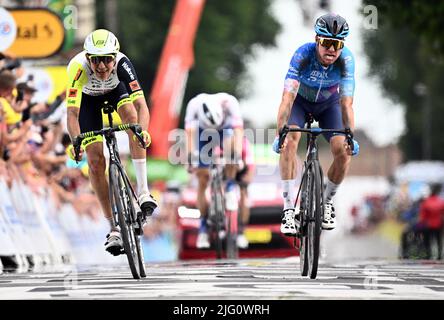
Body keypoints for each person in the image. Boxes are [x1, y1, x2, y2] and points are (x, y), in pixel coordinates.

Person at [65, 29, 158, 256]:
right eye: (96, 60)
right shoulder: (77, 68)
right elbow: (72, 114)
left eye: (107, 59)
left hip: (117, 92)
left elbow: (142, 106)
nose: (102, 66)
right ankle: (113, 228)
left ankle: (144, 192)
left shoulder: (123, 64)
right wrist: (76, 142)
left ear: (115, 57)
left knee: (132, 121)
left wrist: (142, 133)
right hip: (88, 103)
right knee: (96, 163)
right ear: (88, 58)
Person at [272, 13, 359, 236]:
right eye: (327, 43)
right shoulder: (303, 55)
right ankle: (289, 209)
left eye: (337, 44)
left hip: (329, 106)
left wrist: (351, 135)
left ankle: (327, 202)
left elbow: (346, 103)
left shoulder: (346, 60)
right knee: (290, 141)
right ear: (317, 40)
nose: (332, 49)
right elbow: (287, 98)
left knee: (343, 151)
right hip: (300, 103)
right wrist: (279, 132)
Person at [184, 92, 244, 249]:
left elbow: (238, 131)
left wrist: (236, 156)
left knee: (232, 151)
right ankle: (203, 227)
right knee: (202, 180)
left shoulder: (230, 102)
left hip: (226, 130)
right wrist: (190, 158)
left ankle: (230, 185)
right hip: (203, 134)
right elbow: (189, 135)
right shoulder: (194, 105)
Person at [418, 183, 444, 259]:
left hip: (428, 225)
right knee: (438, 240)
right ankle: (439, 256)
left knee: (428, 241)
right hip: (438, 224)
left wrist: (420, 224)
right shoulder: (441, 202)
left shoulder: (426, 202)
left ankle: (428, 255)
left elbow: (422, 216)